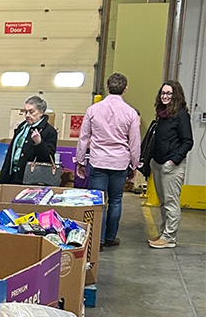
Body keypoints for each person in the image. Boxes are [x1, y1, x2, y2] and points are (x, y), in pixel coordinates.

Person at [75, 73, 141, 250]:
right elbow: (135, 142)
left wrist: (80, 161)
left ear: (106, 87)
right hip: (120, 162)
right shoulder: (131, 113)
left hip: (98, 161)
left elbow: (83, 138)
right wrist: (134, 165)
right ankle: (111, 237)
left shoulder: (93, 110)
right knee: (116, 201)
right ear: (125, 89)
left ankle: (98, 240)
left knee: (98, 203)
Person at [148, 80, 193, 250]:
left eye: (169, 93)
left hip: (172, 167)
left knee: (171, 203)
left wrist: (173, 160)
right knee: (163, 202)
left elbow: (188, 141)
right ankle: (163, 233)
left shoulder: (181, 115)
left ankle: (169, 237)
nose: (165, 96)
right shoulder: (162, 114)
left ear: (176, 96)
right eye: (163, 93)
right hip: (159, 165)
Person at [0, 96, 58, 186]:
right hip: (13, 176)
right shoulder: (22, 127)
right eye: (25, 112)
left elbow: (48, 157)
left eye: (31, 112)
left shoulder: (49, 131)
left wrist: (39, 143)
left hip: (31, 180)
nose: (27, 115)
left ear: (41, 112)